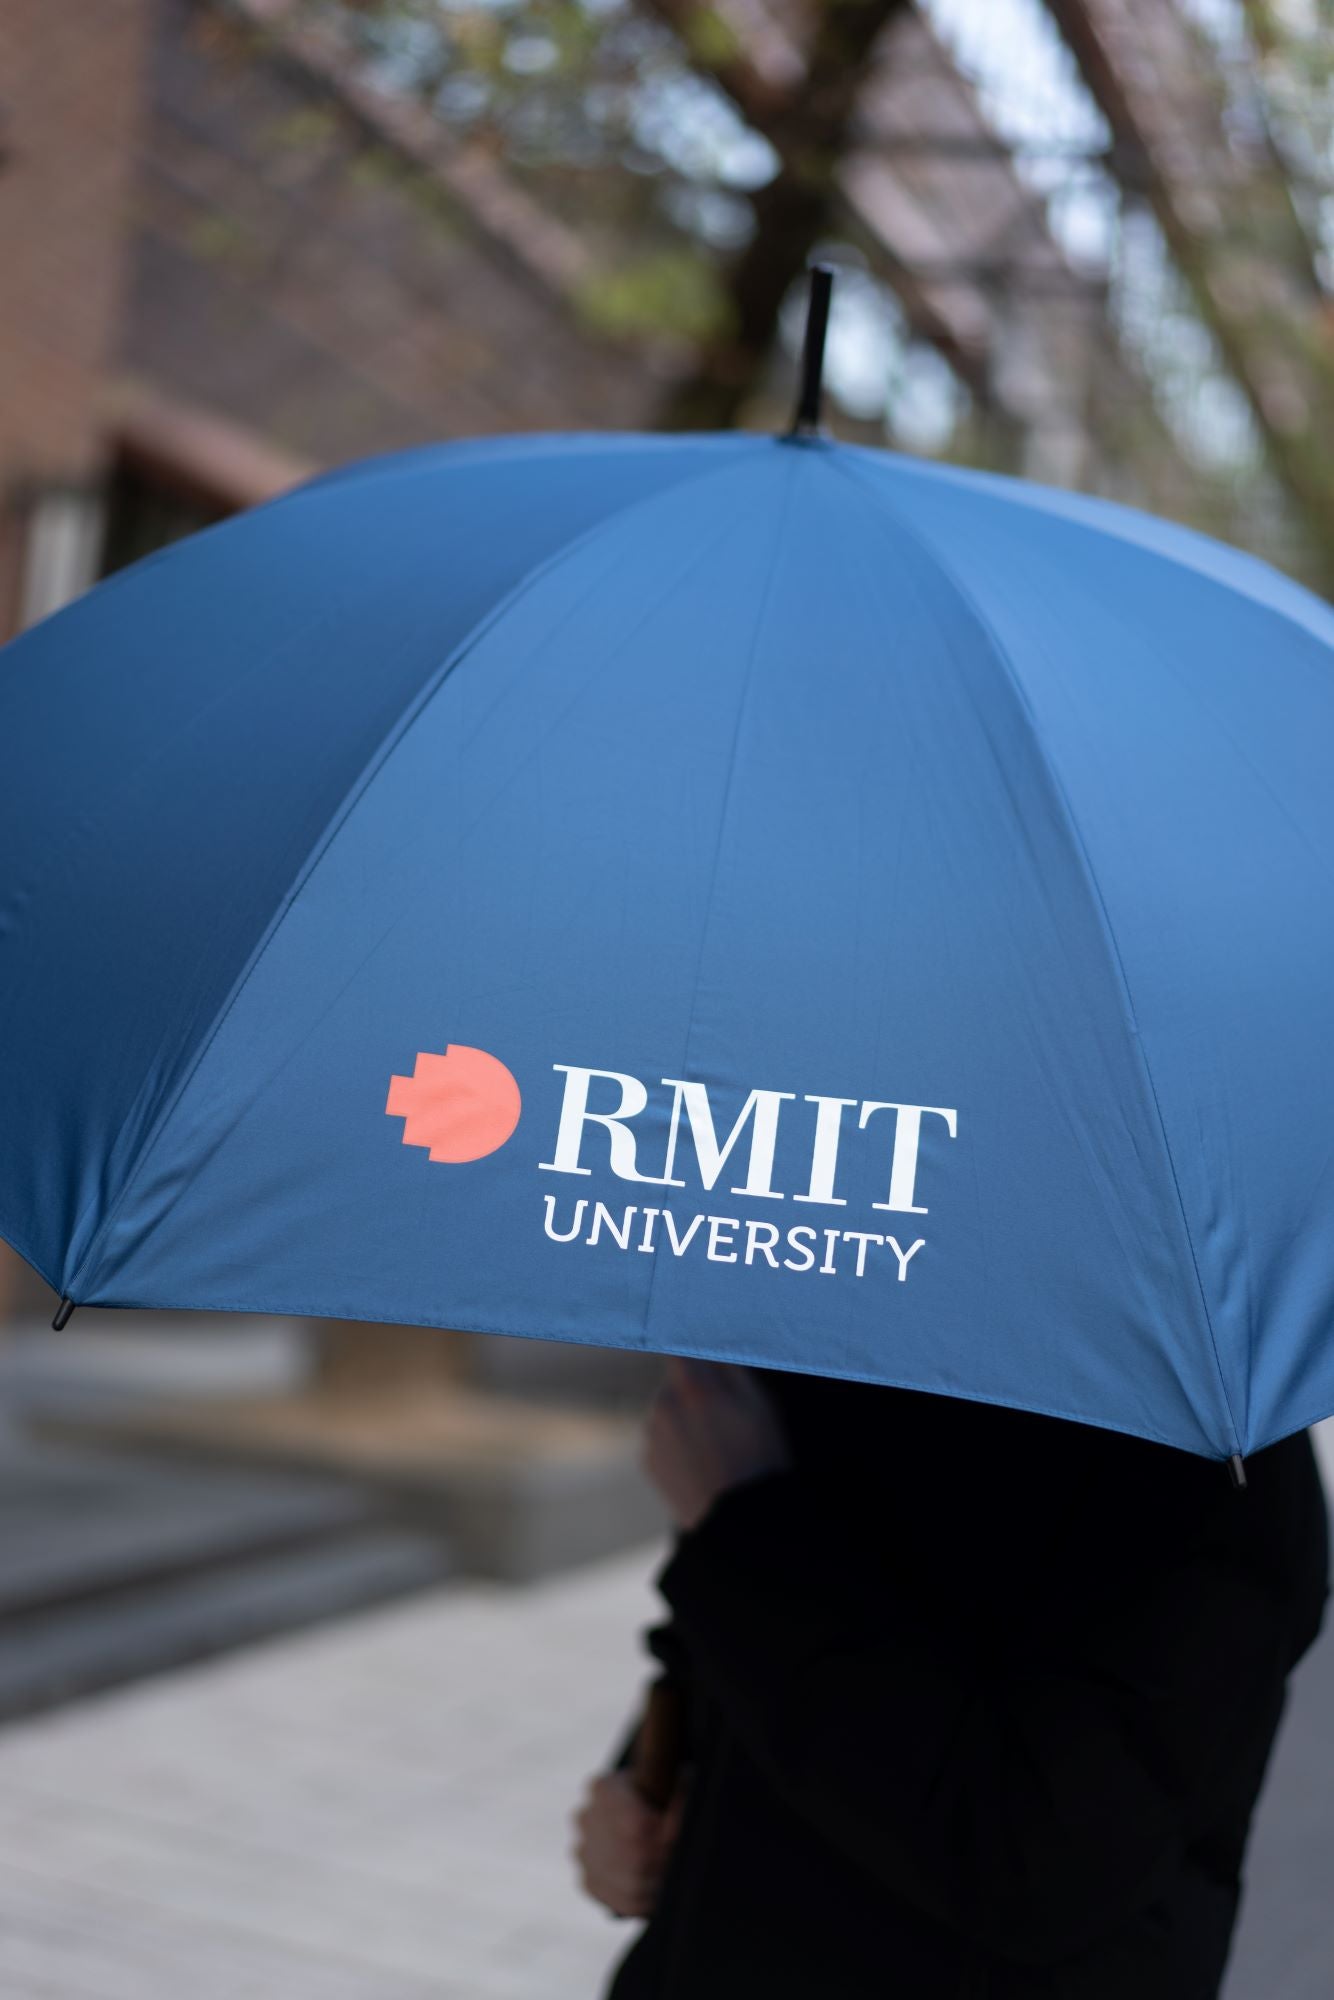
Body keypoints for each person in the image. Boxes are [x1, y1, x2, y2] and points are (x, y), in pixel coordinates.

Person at [573, 1359, 1329, 1999]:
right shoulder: (839, 1342)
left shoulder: (1211, 1453)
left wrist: (743, 1533)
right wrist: (644, 1791)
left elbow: (1042, 1862)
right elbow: (719, 1656)